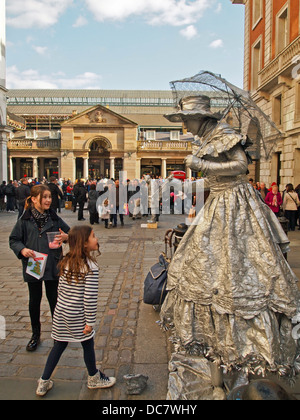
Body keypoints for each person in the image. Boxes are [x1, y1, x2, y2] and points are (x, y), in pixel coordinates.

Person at [160, 95, 299, 390]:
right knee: (205, 270)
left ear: (202, 117)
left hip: (236, 207)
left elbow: (239, 167)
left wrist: (200, 163)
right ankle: (217, 358)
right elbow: (213, 181)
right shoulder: (206, 139)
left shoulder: (225, 134)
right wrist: (191, 183)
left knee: (240, 270)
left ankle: (247, 349)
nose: (184, 124)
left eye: (186, 119)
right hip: (217, 206)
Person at [36, 225, 116, 396]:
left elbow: (61, 291)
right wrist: (89, 322)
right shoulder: (90, 267)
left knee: (59, 345)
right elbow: (89, 298)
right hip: (78, 315)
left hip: (61, 313)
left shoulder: (66, 262)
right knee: (88, 344)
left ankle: (43, 381)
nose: (97, 238)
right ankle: (94, 378)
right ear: (85, 244)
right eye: (93, 236)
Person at [9, 184, 70, 352]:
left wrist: (66, 237)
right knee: (34, 300)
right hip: (34, 263)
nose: (48, 200)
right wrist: (22, 249)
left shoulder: (54, 217)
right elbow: (14, 239)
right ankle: (35, 334)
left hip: (52, 262)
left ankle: (58, 334)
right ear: (34, 199)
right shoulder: (25, 219)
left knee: (54, 300)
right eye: (45, 197)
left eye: (50, 197)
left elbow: (70, 233)